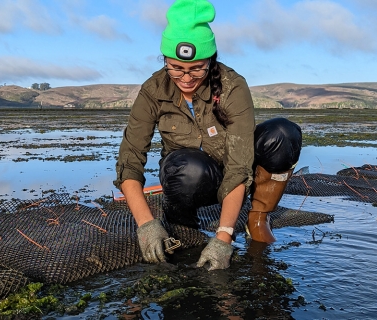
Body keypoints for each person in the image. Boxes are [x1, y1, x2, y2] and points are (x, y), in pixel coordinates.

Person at [114, 0, 302, 271]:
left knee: (283, 133)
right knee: (188, 170)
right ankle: (180, 219)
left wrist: (224, 236)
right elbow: (129, 160)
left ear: (210, 60)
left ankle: (258, 219)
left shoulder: (232, 86)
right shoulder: (152, 89)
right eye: (176, 68)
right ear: (164, 60)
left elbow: (239, 166)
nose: (186, 78)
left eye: (196, 69)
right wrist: (145, 224)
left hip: (232, 177)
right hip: (189, 178)